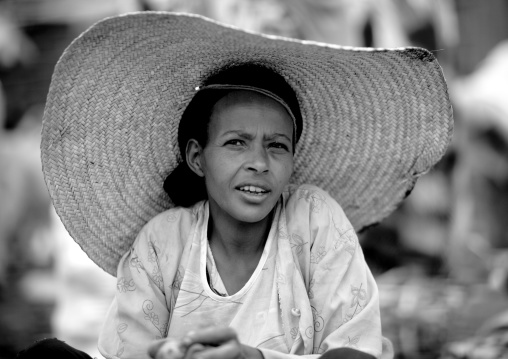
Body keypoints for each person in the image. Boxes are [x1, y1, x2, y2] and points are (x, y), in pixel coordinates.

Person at [32, 11, 453, 359]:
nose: (258, 163)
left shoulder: (313, 220)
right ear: (198, 158)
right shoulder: (162, 243)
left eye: (277, 146)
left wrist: (252, 357)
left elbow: (355, 352)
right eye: (236, 143)